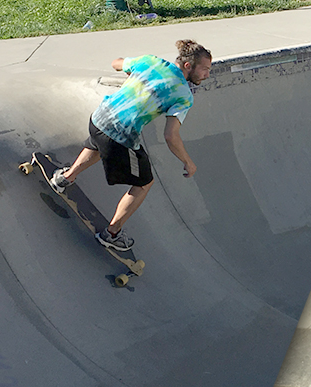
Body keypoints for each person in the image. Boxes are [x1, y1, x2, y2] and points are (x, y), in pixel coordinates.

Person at [49, 39, 212, 251]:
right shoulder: (183, 95)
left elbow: (116, 63)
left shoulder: (150, 61)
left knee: (98, 143)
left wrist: (136, 76)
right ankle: (112, 234)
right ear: (188, 66)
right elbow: (171, 136)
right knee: (144, 183)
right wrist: (188, 162)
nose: (207, 74)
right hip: (120, 136)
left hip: (98, 118)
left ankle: (64, 178)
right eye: (205, 69)